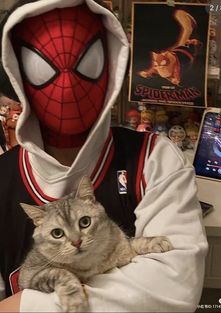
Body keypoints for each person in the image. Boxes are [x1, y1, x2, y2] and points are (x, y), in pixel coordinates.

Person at [0, 0, 208, 312]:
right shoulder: (3, 179)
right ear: (16, 74)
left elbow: (173, 283)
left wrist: (24, 306)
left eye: (89, 61)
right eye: (41, 67)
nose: (67, 85)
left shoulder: (153, 159)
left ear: (111, 63)